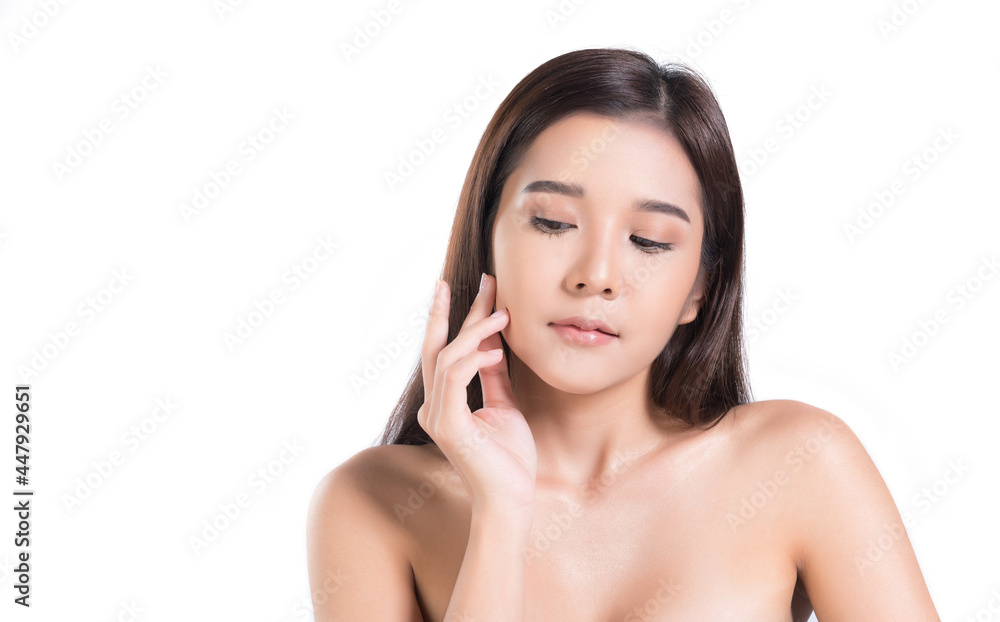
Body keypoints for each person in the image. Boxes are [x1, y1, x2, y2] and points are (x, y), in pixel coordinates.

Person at [306, 47, 940, 621]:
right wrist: (500, 513)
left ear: (699, 287)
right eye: (553, 223)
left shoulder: (801, 462)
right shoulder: (371, 504)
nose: (597, 277)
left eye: (649, 241)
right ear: (486, 240)